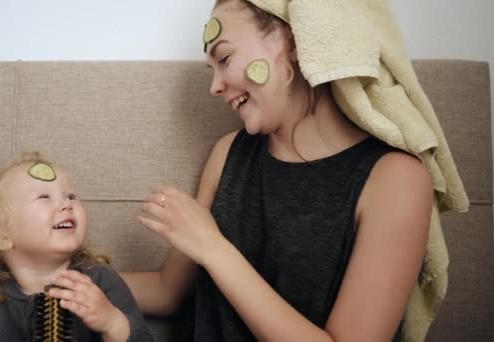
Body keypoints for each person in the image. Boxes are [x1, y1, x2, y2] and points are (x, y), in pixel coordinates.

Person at [120, 0, 448, 341]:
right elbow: (167, 292)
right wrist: (68, 275)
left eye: (225, 59)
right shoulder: (228, 155)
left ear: (292, 44)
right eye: (211, 69)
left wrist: (212, 248)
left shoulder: (396, 180)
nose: (214, 86)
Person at [0, 152, 154, 341]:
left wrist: (112, 323)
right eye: (44, 197)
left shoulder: (101, 282)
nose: (67, 204)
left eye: (70, 196)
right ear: (0, 236)